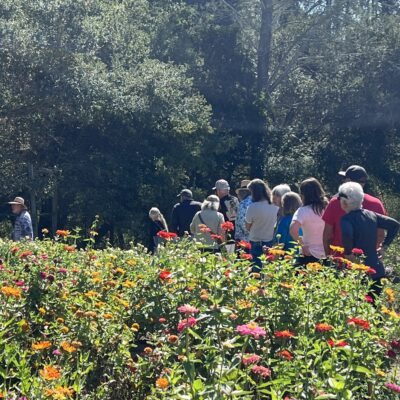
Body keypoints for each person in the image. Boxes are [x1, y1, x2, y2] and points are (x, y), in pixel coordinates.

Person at [339, 182, 399, 294]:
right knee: (373, 307)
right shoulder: (372, 215)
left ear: (344, 202)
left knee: (357, 306)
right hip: (377, 269)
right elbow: (395, 225)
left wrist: (348, 253)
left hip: (358, 271)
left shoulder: (346, 219)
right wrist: (384, 246)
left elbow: (347, 234)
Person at [322, 165, 386, 255]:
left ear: (348, 181)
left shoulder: (335, 202)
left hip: (340, 261)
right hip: (367, 261)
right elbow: (380, 235)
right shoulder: (376, 203)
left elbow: (327, 236)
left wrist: (328, 258)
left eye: (344, 179)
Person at [290, 178, 328, 264]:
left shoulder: (302, 211)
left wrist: (302, 245)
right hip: (327, 252)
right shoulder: (327, 208)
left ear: (303, 195)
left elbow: (293, 230)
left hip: (308, 253)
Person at [245, 179, 279, 271]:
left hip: (255, 240)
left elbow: (247, 227)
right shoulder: (275, 206)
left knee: (256, 269)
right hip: (270, 240)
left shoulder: (252, 207)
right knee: (268, 269)